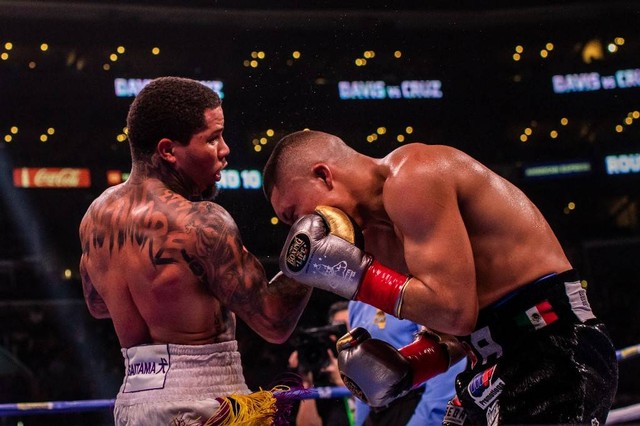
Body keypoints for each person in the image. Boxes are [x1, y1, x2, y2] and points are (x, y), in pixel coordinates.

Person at [262, 130, 618, 425]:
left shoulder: (413, 175)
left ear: (323, 175)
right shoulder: (375, 242)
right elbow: (457, 331)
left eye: (293, 213)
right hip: (490, 364)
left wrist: (353, 275)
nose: (300, 227)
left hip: (552, 347)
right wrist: (410, 366)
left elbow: (454, 311)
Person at [78, 77, 312, 426]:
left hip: (133, 405)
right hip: (207, 404)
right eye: (212, 138)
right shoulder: (202, 222)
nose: (225, 149)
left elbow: (97, 305)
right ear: (168, 150)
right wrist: (310, 249)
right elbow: (274, 322)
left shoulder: (96, 217)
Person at [348, 300, 466, 425]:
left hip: (412, 403)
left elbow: (446, 357)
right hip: (377, 411)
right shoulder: (356, 303)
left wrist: (422, 422)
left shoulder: (417, 293)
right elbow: (362, 376)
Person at [289, 301, 354, 426]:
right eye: (340, 328)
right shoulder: (321, 370)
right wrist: (307, 385)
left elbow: (379, 412)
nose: (346, 334)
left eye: (348, 326)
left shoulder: (371, 367)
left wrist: (342, 381)